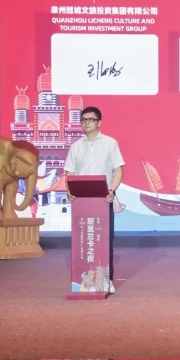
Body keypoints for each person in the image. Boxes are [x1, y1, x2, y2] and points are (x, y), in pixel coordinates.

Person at [64, 107, 125, 294]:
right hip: (82, 200)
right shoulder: (75, 147)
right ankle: (82, 279)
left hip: (103, 199)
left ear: (99, 122)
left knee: (105, 240)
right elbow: (69, 173)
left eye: (90, 119)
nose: (86, 123)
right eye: (83, 120)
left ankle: (107, 280)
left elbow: (118, 170)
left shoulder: (110, 143)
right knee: (83, 240)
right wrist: (69, 190)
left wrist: (112, 190)